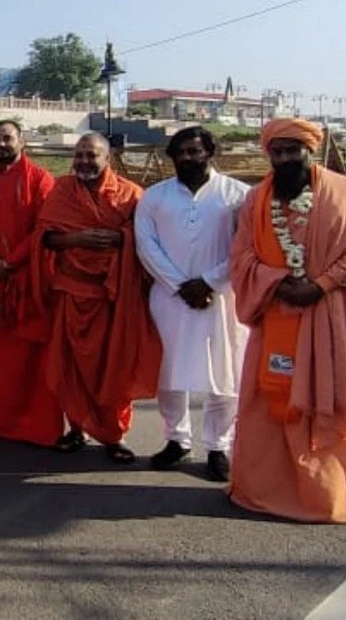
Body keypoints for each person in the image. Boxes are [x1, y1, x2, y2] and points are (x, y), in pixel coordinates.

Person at [228, 118, 346, 522]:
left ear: (309, 150)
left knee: (330, 401)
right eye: (277, 152)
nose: (284, 159)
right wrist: (278, 282)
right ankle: (265, 489)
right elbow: (241, 256)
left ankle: (332, 495)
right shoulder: (256, 200)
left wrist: (321, 284)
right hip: (276, 311)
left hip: (329, 315)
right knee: (266, 403)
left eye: (292, 150)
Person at [33, 132, 160, 463]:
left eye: (92, 155)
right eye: (80, 156)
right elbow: (46, 238)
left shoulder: (132, 195)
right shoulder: (62, 190)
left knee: (112, 365)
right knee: (71, 365)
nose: (84, 162)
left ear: (108, 158)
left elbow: (145, 240)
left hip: (113, 296)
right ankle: (76, 428)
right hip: (71, 292)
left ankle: (113, 435)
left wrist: (120, 237)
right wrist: (78, 237)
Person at [134, 127, 249, 481]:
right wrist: (181, 285)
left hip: (223, 298)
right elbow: (146, 246)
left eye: (194, 151)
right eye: (180, 152)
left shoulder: (238, 194)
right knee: (170, 373)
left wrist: (210, 281)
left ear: (209, 152)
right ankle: (177, 440)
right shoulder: (154, 197)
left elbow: (246, 245)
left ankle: (219, 446)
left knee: (224, 375)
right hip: (171, 299)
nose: (187, 158)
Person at [0, 121, 62, 448]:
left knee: (31, 356)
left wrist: (12, 261)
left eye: (7, 138)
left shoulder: (40, 179)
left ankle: (34, 427)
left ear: (21, 141)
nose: (1, 144)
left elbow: (44, 227)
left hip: (29, 277)